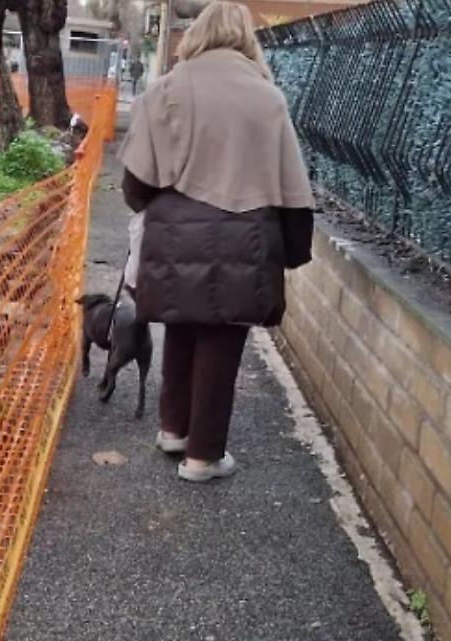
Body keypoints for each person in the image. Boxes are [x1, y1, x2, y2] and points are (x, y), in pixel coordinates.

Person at [119, 0, 316, 482]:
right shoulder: (268, 99)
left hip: (174, 234)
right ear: (247, 38)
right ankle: (204, 458)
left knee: (181, 327)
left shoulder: (164, 91)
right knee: (222, 343)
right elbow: (293, 186)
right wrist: (292, 251)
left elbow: (135, 186)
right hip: (245, 238)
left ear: (196, 34)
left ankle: (172, 430)